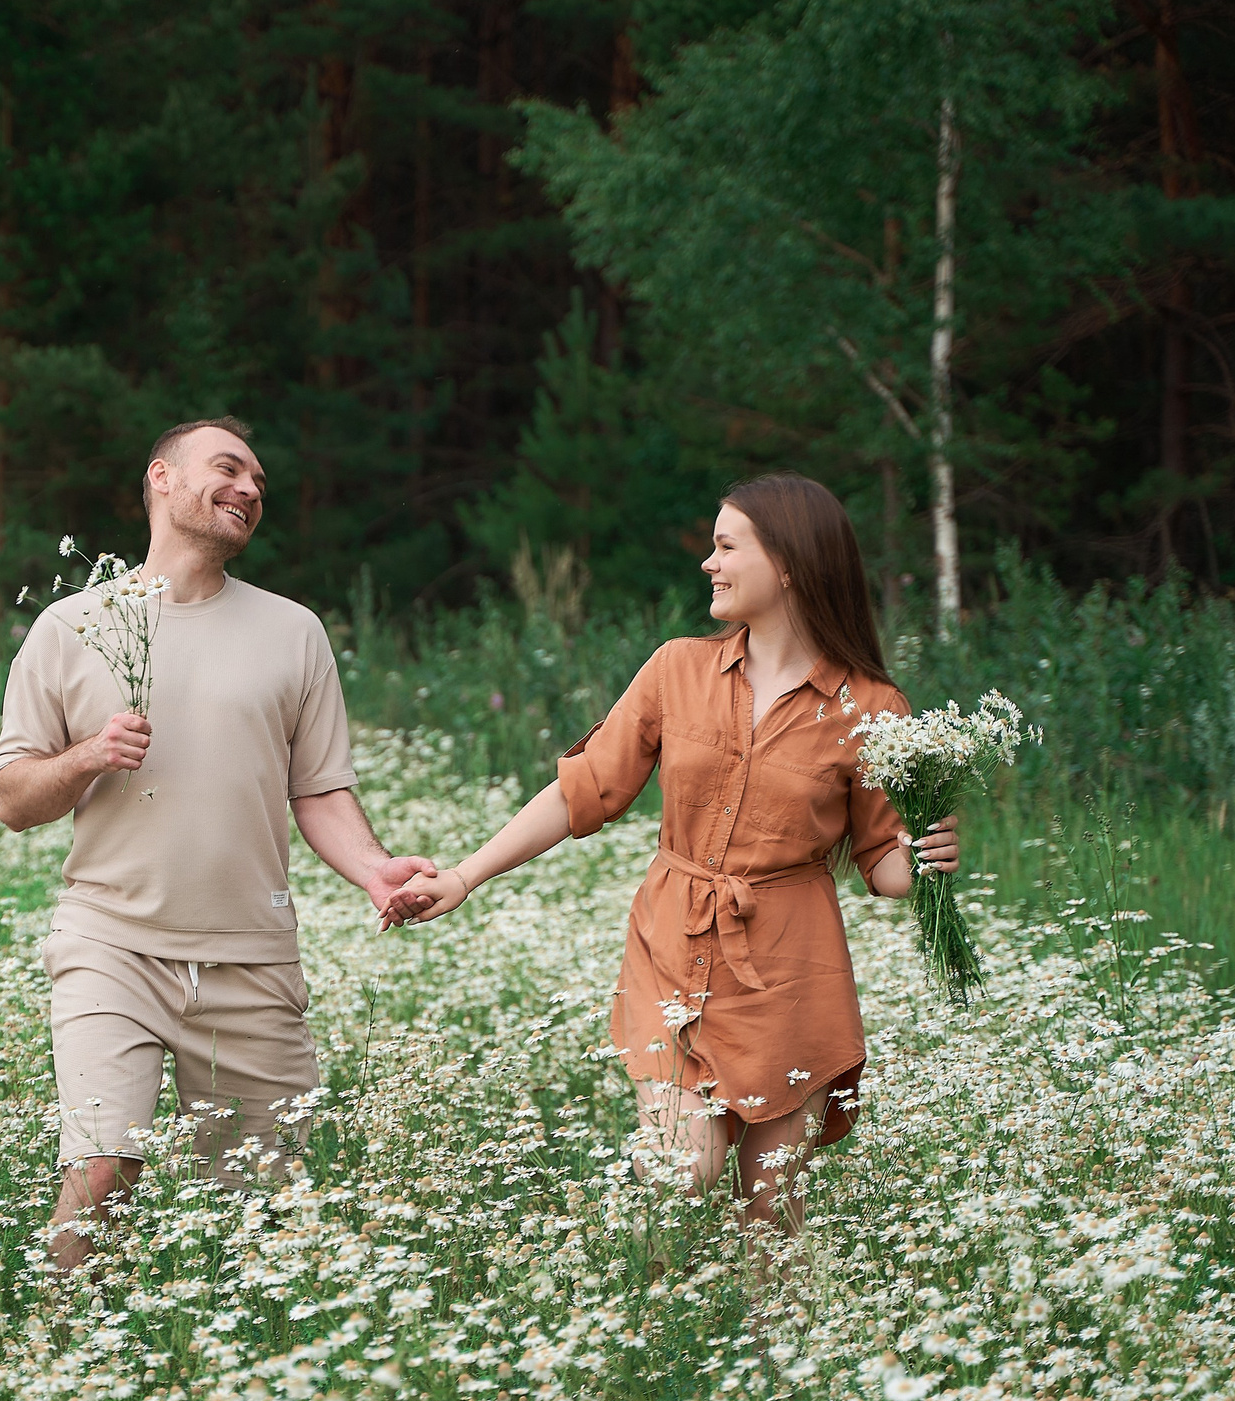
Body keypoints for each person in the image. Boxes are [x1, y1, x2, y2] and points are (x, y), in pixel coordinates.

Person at [385, 474, 960, 1238]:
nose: (709, 564)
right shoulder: (676, 668)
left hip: (790, 970)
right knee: (685, 1168)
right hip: (672, 947)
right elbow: (582, 790)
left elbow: (883, 863)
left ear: (787, 563)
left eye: (727, 546)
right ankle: (646, 1313)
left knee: (771, 1207)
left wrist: (925, 856)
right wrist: (463, 874)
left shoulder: (871, 707)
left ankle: (768, 1350)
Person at [0, 417, 437, 1272]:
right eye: (228, 468)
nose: (250, 489)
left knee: (259, 1205)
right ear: (161, 477)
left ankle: (229, 1374)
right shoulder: (73, 623)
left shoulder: (294, 632)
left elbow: (319, 790)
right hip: (110, 942)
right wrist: (90, 754)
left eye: (260, 483)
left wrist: (375, 870)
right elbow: (13, 800)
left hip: (250, 955)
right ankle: (52, 1360)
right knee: (101, 1168)